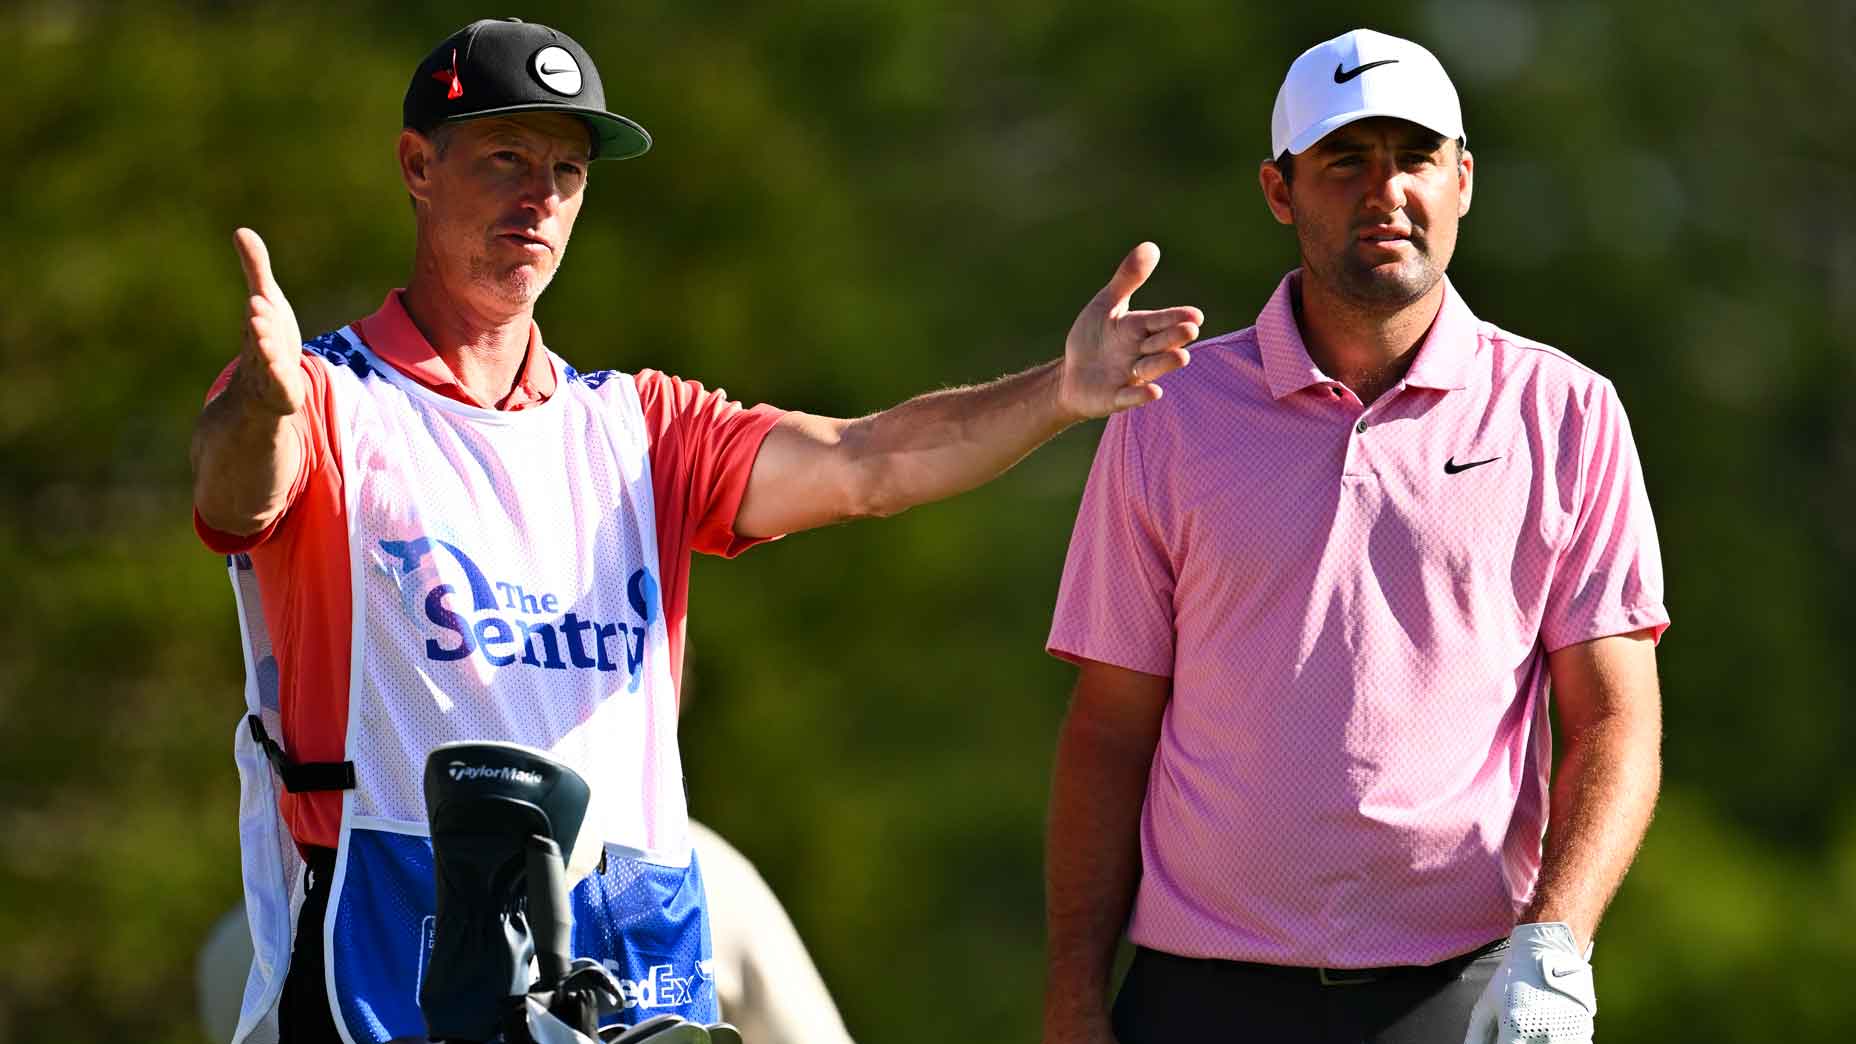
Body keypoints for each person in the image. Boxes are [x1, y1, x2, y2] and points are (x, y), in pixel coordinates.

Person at [190, 17, 1202, 1044]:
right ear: (418, 164)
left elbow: (863, 464)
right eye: (505, 158)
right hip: (382, 958)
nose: (539, 196)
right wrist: (267, 407)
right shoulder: (319, 394)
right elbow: (236, 501)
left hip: (628, 960)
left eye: (567, 171)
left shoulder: (636, 426)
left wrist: (1058, 393)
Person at [1042, 28, 1666, 1044]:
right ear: (1279, 190)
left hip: (1457, 996)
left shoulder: (1564, 413)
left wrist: (1556, 943)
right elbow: (1108, 730)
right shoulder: (1169, 412)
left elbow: (1612, 718)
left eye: (1412, 158)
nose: (1384, 192)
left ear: (1461, 180)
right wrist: (1071, 998)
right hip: (1199, 999)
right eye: (1343, 161)